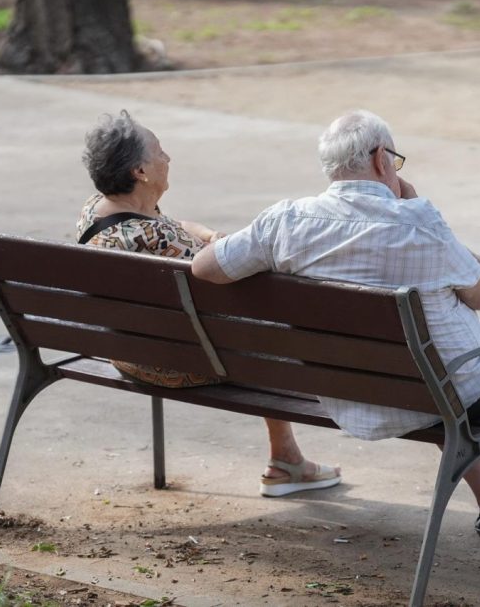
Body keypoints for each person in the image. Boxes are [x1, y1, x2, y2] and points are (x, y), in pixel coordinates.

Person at [191, 109, 480, 547]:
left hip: (354, 393)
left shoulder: (285, 221)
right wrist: (423, 213)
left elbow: (204, 268)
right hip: (446, 389)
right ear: (382, 159)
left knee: (430, 360)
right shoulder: (419, 224)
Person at [77, 110, 341, 498]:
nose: (168, 157)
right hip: (181, 363)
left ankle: (286, 456)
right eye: (159, 151)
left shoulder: (100, 212)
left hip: (128, 352)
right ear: (140, 172)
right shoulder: (160, 241)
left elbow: (173, 227)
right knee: (266, 326)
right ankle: (286, 460)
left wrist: (208, 234)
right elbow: (229, 274)